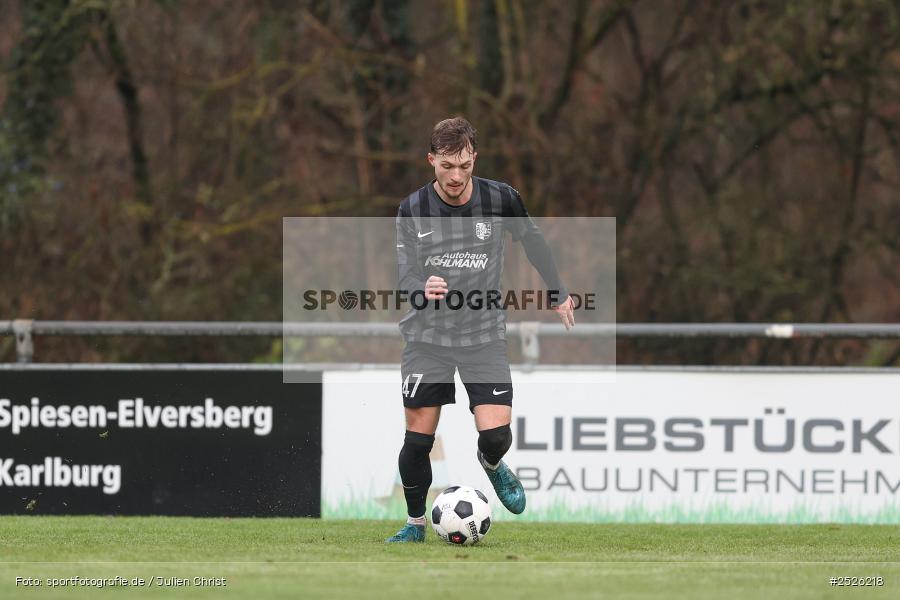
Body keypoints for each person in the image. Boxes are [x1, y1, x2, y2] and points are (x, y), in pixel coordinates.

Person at [387, 117, 574, 543]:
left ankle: (490, 464)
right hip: (426, 340)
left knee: (495, 435)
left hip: (483, 336)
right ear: (431, 160)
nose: (456, 177)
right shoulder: (411, 209)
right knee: (418, 440)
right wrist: (422, 288)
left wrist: (558, 291)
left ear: (474, 159)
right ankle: (415, 525)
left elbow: (533, 240)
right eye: (447, 166)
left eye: (465, 166)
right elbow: (404, 276)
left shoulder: (501, 198)